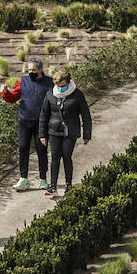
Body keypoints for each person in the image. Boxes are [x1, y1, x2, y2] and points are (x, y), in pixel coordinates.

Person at [0, 56, 54, 192]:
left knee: (41, 150)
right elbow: (13, 98)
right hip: (24, 121)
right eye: (29, 69)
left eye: (33, 70)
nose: (31, 72)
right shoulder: (22, 82)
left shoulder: (49, 83)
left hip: (41, 123)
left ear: (41, 69)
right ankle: (23, 179)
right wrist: (6, 93)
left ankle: (43, 179)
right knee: (23, 148)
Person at [38, 69, 92, 199]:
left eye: (63, 86)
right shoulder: (50, 93)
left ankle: (68, 185)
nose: (60, 88)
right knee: (55, 157)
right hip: (54, 130)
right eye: (58, 86)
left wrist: (87, 134)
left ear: (68, 83)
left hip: (70, 131)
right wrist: (42, 134)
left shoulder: (77, 94)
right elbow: (44, 115)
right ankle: (53, 186)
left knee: (67, 157)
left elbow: (86, 115)